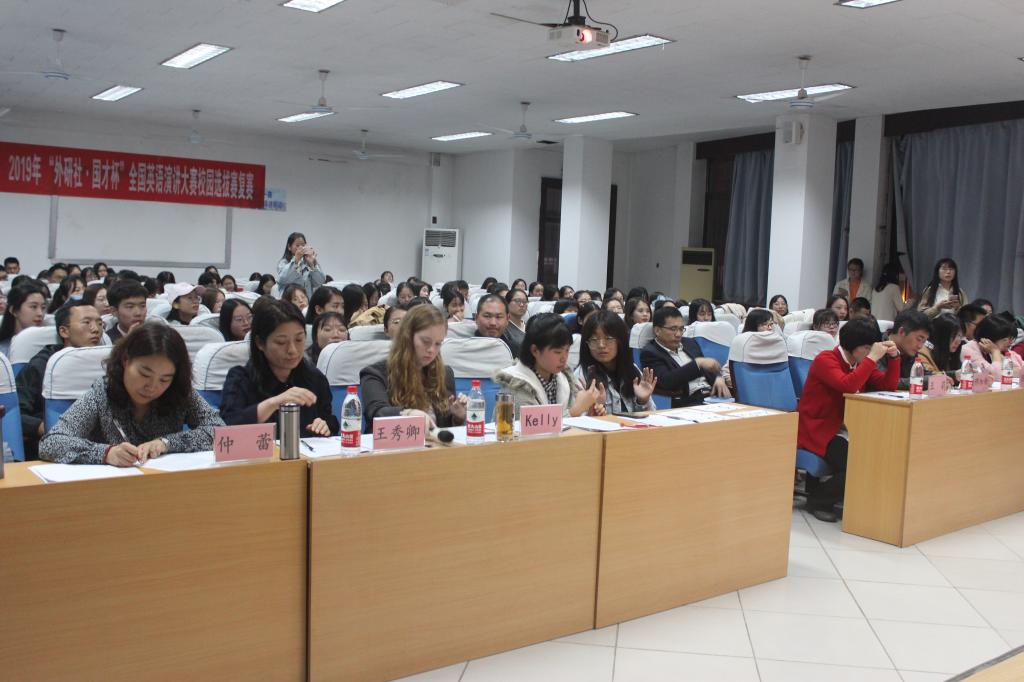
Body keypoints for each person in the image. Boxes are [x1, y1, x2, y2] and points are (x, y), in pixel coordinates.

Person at [38, 323, 224, 466]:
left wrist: (167, 443)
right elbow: (51, 442)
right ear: (126, 360)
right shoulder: (102, 394)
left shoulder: (179, 391)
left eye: (164, 379)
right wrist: (106, 453)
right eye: (145, 374)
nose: (152, 387)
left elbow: (220, 432)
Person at [797, 318, 901, 521]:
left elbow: (888, 385)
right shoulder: (826, 359)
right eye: (867, 348)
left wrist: (895, 358)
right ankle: (818, 500)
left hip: (846, 428)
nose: (871, 352)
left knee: (876, 457)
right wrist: (872, 358)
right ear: (854, 346)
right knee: (857, 465)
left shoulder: (859, 364)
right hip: (817, 429)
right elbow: (848, 385)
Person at [220, 298, 338, 437]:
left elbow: (329, 420)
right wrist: (274, 403)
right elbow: (228, 426)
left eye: (299, 340)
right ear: (260, 343)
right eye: (281, 342)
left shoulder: (315, 378)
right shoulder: (241, 379)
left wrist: (324, 425)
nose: (292, 350)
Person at [16, 301, 103, 458]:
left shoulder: (109, 363)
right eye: (86, 322)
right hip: (53, 450)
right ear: (64, 331)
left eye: (100, 323)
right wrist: (47, 427)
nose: (96, 329)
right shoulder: (41, 366)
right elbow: (17, 414)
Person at [360, 304, 466, 431]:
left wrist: (457, 417)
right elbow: (376, 413)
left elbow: (443, 428)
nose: (432, 350)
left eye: (438, 344)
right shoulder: (375, 374)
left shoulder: (444, 373)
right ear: (407, 337)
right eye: (425, 341)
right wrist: (407, 414)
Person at [493, 313, 601, 417]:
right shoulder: (516, 385)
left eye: (567, 350)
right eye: (557, 352)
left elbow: (573, 419)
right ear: (535, 350)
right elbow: (528, 427)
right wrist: (575, 411)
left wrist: (588, 414)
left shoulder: (564, 378)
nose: (564, 358)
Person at [641, 306, 730, 407]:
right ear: (657, 330)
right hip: (689, 401)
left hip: (713, 397)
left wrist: (718, 377)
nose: (678, 334)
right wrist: (697, 363)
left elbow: (708, 367)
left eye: (681, 329)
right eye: (673, 329)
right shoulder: (650, 353)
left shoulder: (689, 343)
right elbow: (666, 381)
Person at [576, 311, 657, 414]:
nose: (601, 345)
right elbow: (574, 419)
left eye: (608, 339)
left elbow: (651, 416)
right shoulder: (581, 377)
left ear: (620, 341)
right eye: (594, 340)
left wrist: (643, 401)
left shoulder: (632, 370)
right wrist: (592, 414)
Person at [961, 315, 1023, 382]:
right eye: (1005, 340)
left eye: (1011, 338)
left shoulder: (1004, 350)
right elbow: (997, 375)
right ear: (989, 338)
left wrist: (999, 355)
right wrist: (995, 352)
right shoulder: (969, 350)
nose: (1010, 342)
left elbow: (1021, 370)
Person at [884, 310, 932, 389]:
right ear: (902, 332)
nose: (920, 346)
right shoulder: (878, 345)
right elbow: (884, 381)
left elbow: (923, 374)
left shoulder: (909, 350)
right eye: (919, 339)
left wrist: (941, 378)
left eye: (924, 341)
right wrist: (928, 381)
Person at [0, 283, 47, 356]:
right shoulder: (3, 350)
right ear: (13, 310)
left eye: (43, 307)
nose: (40, 313)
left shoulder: (50, 346)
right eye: (33, 307)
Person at [276, 231, 325, 298]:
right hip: (289, 301)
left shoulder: (308, 261)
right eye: (297, 245)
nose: (301, 248)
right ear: (289, 247)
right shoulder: (283, 263)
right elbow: (283, 279)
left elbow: (320, 282)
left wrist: (312, 265)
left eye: (303, 245)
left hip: (306, 301)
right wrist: (296, 261)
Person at [918, 313, 964, 380]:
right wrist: (954, 375)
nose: (958, 341)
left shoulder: (951, 353)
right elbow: (929, 376)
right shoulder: (923, 352)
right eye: (952, 336)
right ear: (941, 336)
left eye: (960, 336)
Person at [474, 294, 521, 358]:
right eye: (487, 316)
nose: (493, 323)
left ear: (507, 319)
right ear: (476, 318)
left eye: (499, 317)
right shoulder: (464, 349)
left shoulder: (516, 351)